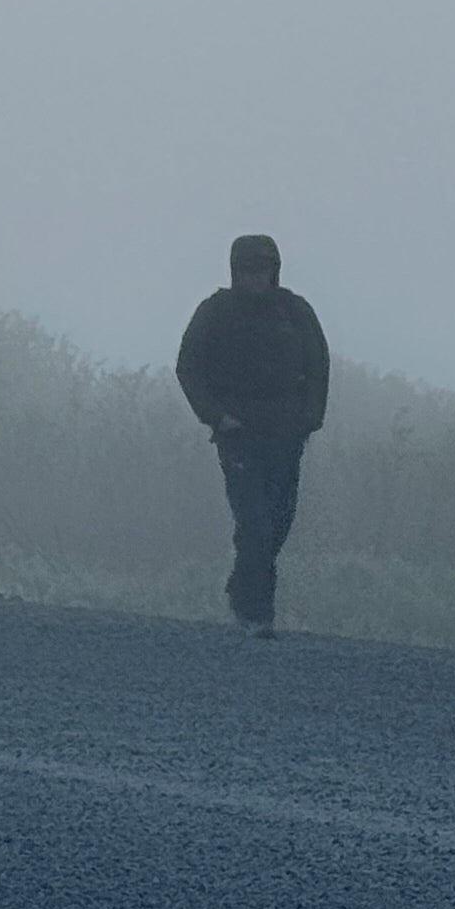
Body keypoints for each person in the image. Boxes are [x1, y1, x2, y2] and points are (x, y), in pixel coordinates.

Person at [174, 233, 330, 637]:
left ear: (274, 272)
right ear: (235, 272)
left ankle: (242, 588)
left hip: (285, 435)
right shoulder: (214, 312)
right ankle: (257, 614)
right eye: (248, 270)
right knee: (255, 523)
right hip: (238, 434)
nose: (255, 278)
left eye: (262, 270)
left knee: (279, 521)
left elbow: (318, 366)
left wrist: (310, 418)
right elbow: (188, 367)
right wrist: (216, 416)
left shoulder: (295, 313)